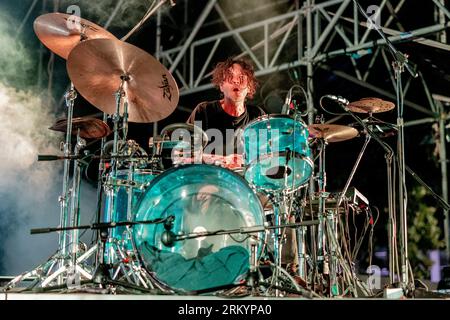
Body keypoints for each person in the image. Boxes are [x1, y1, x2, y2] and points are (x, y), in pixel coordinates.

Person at [186, 57, 265, 164]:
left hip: (243, 180)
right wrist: (222, 160)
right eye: (230, 77)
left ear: (250, 87)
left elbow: (267, 158)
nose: (236, 81)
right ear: (221, 86)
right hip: (209, 179)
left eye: (241, 78)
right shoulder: (204, 111)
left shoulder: (257, 116)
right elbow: (182, 155)